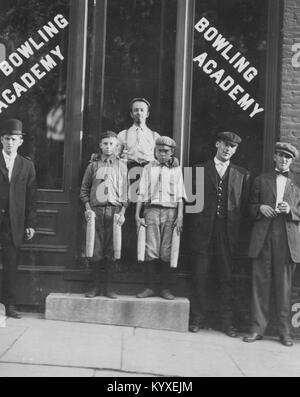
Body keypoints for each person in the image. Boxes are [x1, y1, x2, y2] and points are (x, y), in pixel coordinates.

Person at [189, 131, 251, 337]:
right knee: (200, 275)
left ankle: (226, 322)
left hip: (228, 234)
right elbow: (191, 206)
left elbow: (243, 209)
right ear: (217, 144)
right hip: (203, 232)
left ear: (236, 150)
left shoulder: (243, 175)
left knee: (227, 277)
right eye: (225, 144)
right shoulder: (198, 170)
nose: (228, 149)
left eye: (232, 147)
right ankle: (197, 318)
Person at [243, 142, 300, 347]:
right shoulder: (260, 180)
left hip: (286, 240)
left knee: (284, 288)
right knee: (260, 284)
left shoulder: (297, 185)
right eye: (281, 156)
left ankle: (285, 332)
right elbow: (248, 207)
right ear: (274, 157)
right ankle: (257, 328)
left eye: (288, 157)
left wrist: (291, 210)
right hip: (263, 238)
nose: (284, 160)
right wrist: (261, 208)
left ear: (292, 162)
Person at [135, 136, 186, 299]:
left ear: (171, 153)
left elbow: (180, 196)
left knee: (166, 250)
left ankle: (164, 288)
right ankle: (150, 287)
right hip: (151, 211)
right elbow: (141, 193)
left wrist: (180, 216)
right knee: (150, 249)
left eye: (166, 151)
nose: (162, 154)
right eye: (159, 151)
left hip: (170, 212)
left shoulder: (176, 170)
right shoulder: (148, 168)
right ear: (155, 151)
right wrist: (137, 214)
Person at [80, 131, 128, 299]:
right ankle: (95, 287)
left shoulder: (122, 166)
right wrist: (88, 208)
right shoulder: (93, 165)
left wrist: (123, 212)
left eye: (112, 144)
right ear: (100, 145)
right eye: (105, 144)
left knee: (112, 251)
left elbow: (126, 193)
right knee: (95, 250)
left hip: (114, 212)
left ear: (117, 146)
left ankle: (108, 288)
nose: (108, 147)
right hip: (96, 212)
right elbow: (84, 190)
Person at [0, 119, 37, 319]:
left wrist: (30, 223)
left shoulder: (27, 165)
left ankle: (9, 305)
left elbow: (32, 196)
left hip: (14, 223)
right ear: (1, 140)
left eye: (14, 139)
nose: (10, 143)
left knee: (11, 265)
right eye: (6, 138)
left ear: (20, 141)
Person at [118, 98, 160, 266]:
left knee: (146, 213)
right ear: (131, 113)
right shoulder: (123, 135)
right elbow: (115, 157)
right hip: (130, 174)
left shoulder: (154, 136)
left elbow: (160, 159)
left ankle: (144, 260)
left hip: (148, 175)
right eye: (136, 110)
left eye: (142, 110)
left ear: (147, 114)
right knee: (128, 214)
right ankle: (128, 260)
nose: (139, 113)